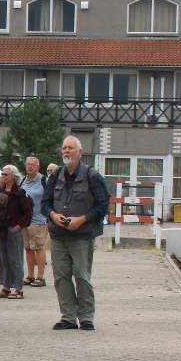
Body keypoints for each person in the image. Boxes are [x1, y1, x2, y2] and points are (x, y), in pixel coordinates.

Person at [43, 136, 110, 331]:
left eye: (70, 148)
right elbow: (44, 204)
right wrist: (53, 215)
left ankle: (86, 317)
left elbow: (103, 205)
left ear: (80, 152)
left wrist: (82, 219)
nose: (66, 151)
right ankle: (68, 317)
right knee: (61, 277)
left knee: (81, 276)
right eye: (64, 148)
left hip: (81, 236)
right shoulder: (55, 175)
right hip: (58, 236)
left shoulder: (92, 175)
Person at [0, 165, 32, 300]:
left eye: (5, 174)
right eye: (2, 174)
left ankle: (18, 289)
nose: (2, 176)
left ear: (13, 176)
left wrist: (19, 227)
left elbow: (28, 213)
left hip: (13, 230)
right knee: (3, 259)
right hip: (0, 229)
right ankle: (6, 287)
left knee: (15, 259)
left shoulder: (20, 192)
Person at [21, 156, 49, 288]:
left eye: (33, 165)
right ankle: (30, 275)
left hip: (39, 219)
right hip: (25, 221)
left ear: (38, 167)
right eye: (28, 165)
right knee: (28, 248)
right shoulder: (23, 180)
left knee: (39, 247)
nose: (30, 167)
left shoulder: (43, 180)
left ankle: (40, 277)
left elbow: (51, 197)